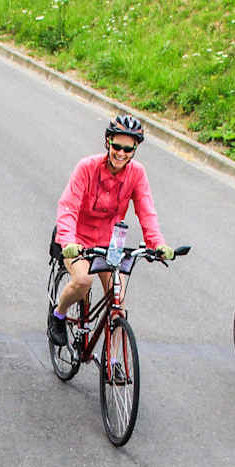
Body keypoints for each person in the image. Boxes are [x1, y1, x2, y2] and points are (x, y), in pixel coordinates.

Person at [48, 112, 172, 343]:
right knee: (83, 282)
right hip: (79, 239)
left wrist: (158, 244)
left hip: (111, 241)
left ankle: (114, 364)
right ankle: (59, 313)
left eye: (128, 149)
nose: (121, 153)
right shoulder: (87, 167)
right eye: (117, 146)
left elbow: (146, 211)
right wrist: (67, 242)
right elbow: (68, 207)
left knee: (118, 299)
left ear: (135, 149)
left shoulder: (137, 173)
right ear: (108, 142)